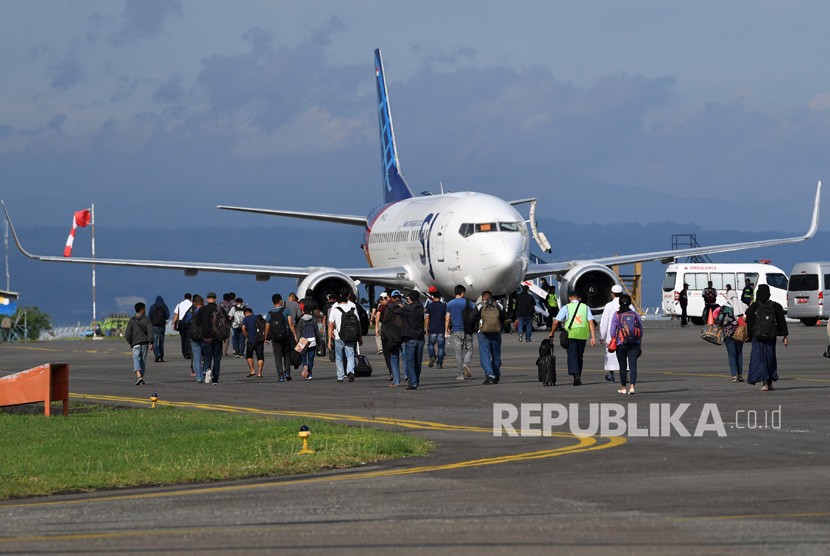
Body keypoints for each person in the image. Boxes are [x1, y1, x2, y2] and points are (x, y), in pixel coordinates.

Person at [746, 284, 788, 391]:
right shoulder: (776, 306)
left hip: (757, 337)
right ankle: (770, 382)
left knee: (759, 358)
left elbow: (749, 323)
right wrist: (784, 335)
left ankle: (764, 382)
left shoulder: (754, 306)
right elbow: (781, 321)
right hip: (771, 337)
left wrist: (749, 336)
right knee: (770, 358)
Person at [549, 290, 596, 386]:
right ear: (580, 298)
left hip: (571, 335)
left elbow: (556, 322)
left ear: (570, 298)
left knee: (572, 355)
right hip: (583, 335)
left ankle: (576, 375)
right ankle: (579, 375)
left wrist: (552, 332)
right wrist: (593, 337)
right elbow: (591, 322)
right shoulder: (585, 307)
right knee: (580, 356)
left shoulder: (566, 307)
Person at [390, 291, 425, 389]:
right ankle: (415, 380)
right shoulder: (420, 307)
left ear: (410, 299)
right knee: (418, 362)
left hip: (410, 338)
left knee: (409, 361)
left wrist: (400, 305)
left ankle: (413, 382)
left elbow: (394, 310)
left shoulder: (407, 309)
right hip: (420, 338)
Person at [608, 294, 643, 395]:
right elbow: (640, 331)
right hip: (635, 343)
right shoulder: (635, 314)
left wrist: (614, 339)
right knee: (633, 366)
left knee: (622, 366)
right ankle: (632, 387)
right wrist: (639, 345)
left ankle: (623, 388)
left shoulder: (617, 315)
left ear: (619, 303)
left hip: (621, 343)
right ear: (630, 303)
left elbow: (612, 331)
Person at [328, 291, 362, 382]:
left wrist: (329, 340)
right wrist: (360, 337)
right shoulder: (353, 308)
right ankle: (351, 372)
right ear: (347, 300)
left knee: (339, 357)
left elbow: (330, 324)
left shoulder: (335, 309)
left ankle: (340, 376)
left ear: (338, 301)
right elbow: (358, 323)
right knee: (350, 355)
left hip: (339, 336)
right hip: (351, 335)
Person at [264, 293, 298, 382]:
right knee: (287, 354)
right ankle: (287, 373)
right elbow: (290, 323)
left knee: (277, 356)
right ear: (280, 301)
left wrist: (266, 337)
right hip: (285, 336)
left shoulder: (269, 314)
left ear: (272, 302)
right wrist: (295, 334)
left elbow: (267, 327)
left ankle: (281, 375)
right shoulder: (285, 311)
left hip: (275, 338)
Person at [445, 284, 474, 381]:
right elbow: (473, 314)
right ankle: (466, 363)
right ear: (462, 293)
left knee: (458, 353)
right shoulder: (468, 302)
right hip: (467, 329)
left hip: (456, 330)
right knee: (469, 348)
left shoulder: (449, 303)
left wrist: (447, 329)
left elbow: (447, 318)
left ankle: (460, 374)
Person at [195, 292, 225, 384]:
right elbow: (226, 321)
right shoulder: (220, 309)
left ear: (207, 299)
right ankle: (215, 379)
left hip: (206, 337)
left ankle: (207, 370)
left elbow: (197, 322)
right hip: (218, 337)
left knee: (207, 356)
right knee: (217, 358)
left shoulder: (203, 309)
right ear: (215, 299)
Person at [477, 291, 505, 384]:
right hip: (496, 332)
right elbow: (504, 317)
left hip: (483, 333)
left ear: (483, 298)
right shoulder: (499, 306)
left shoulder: (480, 306)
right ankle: (496, 374)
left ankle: (490, 375)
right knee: (496, 355)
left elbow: (472, 317)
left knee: (485, 354)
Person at [599, 285, 625, 383]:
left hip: (612, 335)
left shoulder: (609, 305)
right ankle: (625, 375)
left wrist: (602, 336)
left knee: (611, 354)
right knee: (624, 355)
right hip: (625, 334)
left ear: (612, 294)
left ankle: (611, 375)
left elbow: (604, 321)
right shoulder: (628, 304)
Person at [125, 302, 153, 385]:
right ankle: (141, 377)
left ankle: (139, 376)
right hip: (144, 343)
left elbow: (127, 334)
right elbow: (150, 332)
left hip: (135, 343)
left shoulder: (131, 320)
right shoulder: (147, 319)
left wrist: (131, 342)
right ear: (141, 310)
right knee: (143, 361)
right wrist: (151, 342)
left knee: (136, 359)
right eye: (144, 308)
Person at [715, 303, 744, 382]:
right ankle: (740, 375)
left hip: (728, 333)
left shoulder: (724, 308)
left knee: (731, 354)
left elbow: (718, 321)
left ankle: (734, 376)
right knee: (739, 353)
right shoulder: (741, 305)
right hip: (740, 333)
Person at [381, 290, 404, 385]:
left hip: (393, 336)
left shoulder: (389, 308)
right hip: (405, 334)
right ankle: (408, 377)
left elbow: (385, 322)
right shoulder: (405, 307)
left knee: (394, 358)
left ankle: (396, 380)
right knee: (407, 358)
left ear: (391, 298)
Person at [424, 287, 447, 369]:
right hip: (441, 329)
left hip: (432, 329)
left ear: (433, 297)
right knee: (441, 347)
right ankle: (439, 363)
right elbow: (447, 318)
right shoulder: (444, 306)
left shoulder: (429, 306)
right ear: (440, 298)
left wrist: (426, 328)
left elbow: (427, 318)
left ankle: (432, 356)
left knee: (430, 344)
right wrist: (447, 328)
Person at [296, 304, 318, 379]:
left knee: (303, 355)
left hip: (303, 340)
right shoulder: (314, 320)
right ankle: (310, 373)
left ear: (303, 311)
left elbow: (298, 332)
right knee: (311, 357)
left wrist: (297, 341)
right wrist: (319, 341)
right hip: (312, 340)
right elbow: (316, 332)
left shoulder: (301, 321)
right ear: (311, 312)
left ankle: (305, 365)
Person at [241, 307, 265, 378]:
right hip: (259, 340)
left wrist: (246, 335)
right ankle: (259, 373)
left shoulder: (246, 319)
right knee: (260, 357)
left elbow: (243, 328)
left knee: (249, 356)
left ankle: (252, 370)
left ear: (245, 313)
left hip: (251, 340)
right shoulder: (258, 317)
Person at [185, 295, 204, 381]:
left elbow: (186, 322)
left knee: (196, 357)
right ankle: (205, 371)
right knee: (206, 356)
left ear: (194, 303)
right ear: (203, 303)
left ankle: (199, 377)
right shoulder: (205, 312)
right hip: (205, 336)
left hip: (194, 336)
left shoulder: (191, 313)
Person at [147, 295, 169, 363]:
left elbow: (149, 317)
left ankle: (157, 356)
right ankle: (161, 357)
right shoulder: (164, 306)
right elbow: (167, 316)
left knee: (155, 342)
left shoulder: (152, 307)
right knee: (161, 343)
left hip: (154, 327)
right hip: (162, 326)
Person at [171, 293, 192, 360]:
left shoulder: (179, 304)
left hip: (181, 323)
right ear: (190, 298)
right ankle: (189, 352)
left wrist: (174, 324)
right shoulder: (192, 304)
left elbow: (176, 315)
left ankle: (185, 353)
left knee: (183, 338)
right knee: (189, 338)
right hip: (189, 323)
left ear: (184, 297)